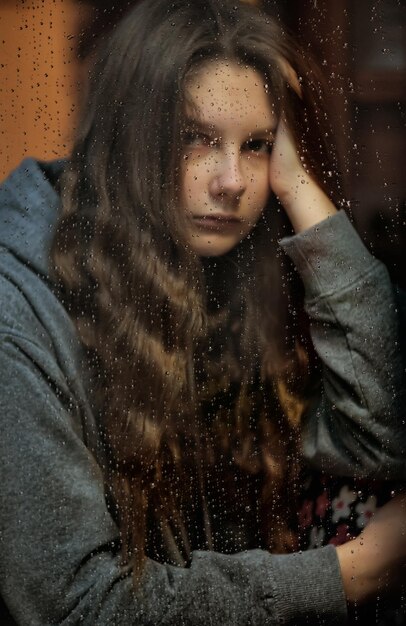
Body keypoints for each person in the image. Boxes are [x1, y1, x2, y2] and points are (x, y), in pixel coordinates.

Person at [0, 0, 405, 623]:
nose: (231, 181)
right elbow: (73, 605)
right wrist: (350, 573)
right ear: (127, 139)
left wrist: (298, 186)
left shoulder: (230, 263)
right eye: (195, 138)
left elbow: (383, 440)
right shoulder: (19, 301)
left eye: (257, 146)